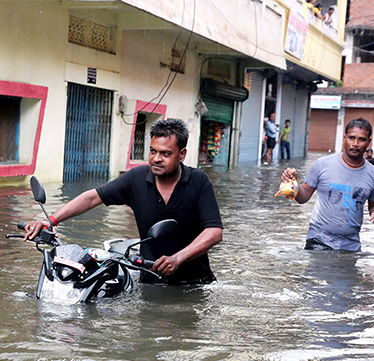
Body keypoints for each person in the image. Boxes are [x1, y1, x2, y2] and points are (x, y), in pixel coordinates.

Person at [24, 118, 224, 285]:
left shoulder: (198, 181)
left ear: (182, 155)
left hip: (196, 283)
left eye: (166, 153)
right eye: (153, 151)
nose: (156, 158)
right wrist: (51, 220)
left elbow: (214, 232)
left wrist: (179, 258)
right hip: (151, 279)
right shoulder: (136, 178)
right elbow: (92, 197)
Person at [280, 118, 374, 252]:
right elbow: (303, 197)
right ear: (344, 138)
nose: (355, 143)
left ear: (368, 142)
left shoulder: (373, 174)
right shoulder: (322, 164)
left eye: (361, 139)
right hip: (319, 239)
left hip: (351, 245)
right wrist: (293, 186)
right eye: (351, 138)